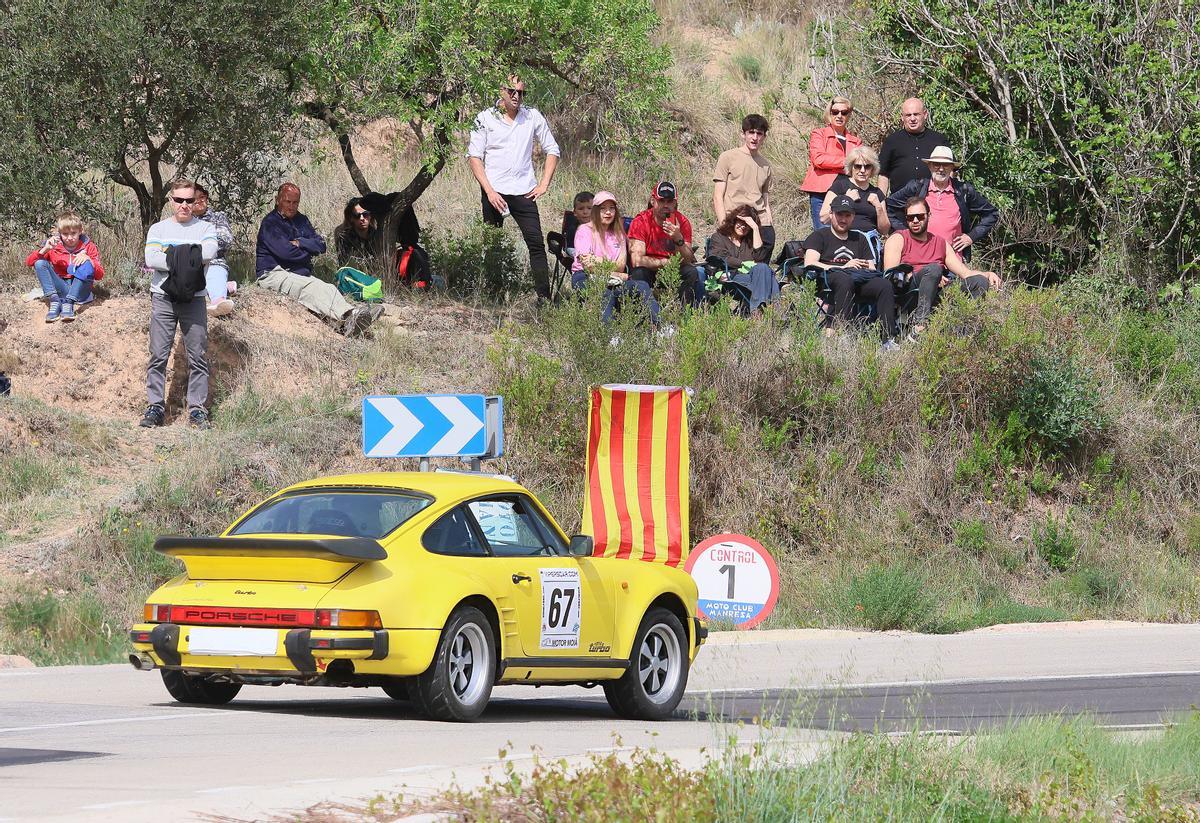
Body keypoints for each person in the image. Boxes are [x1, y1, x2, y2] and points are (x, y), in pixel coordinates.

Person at [467, 75, 561, 301]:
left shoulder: (532, 116)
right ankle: (494, 295)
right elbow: (474, 157)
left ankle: (543, 298)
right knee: (493, 243)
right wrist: (489, 191)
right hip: (494, 190)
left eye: (521, 92)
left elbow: (552, 149)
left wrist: (544, 183)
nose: (516, 96)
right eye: (511, 91)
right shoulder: (485, 118)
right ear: (501, 90)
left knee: (535, 243)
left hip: (524, 190)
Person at [140, 179, 217, 429]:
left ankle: (197, 410)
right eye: (179, 200)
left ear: (196, 202)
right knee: (158, 354)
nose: (184, 205)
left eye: (189, 200)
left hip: (194, 298)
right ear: (171, 201)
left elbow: (210, 253)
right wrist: (189, 256)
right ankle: (154, 407)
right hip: (163, 297)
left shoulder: (206, 228)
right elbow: (151, 258)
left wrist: (171, 254)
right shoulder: (158, 229)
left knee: (198, 355)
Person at [255, 183, 378, 336]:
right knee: (311, 287)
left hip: (298, 274)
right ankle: (349, 315)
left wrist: (300, 243)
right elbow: (286, 253)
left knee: (328, 288)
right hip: (273, 274)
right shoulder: (270, 224)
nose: (292, 206)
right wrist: (308, 251)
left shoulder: (302, 220)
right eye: (288, 202)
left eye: (295, 202)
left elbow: (321, 245)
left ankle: (346, 323)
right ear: (277, 200)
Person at [883, 196, 1000, 338]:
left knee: (979, 281)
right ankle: (919, 327)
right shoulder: (898, 238)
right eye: (910, 217)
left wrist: (986, 274)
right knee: (934, 270)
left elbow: (965, 272)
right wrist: (928, 276)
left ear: (929, 216)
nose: (915, 221)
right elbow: (890, 278)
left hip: (939, 294)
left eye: (920, 216)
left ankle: (963, 332)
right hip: (911, 294)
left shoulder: (940, 243)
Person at [804, 195, 897, 347]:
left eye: (847, 215)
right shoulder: (819, 236)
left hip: (858, 281)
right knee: (843, 279)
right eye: (840, 214)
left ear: (853, 217)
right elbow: (810, 263)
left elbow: (871, 267)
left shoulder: (859, 238)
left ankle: (888, 339)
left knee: (883, 285)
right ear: (831, 214)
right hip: (828, 282)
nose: (843, 219)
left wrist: (863, 267)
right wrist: (843, 267)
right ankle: (842, 333)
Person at [886, 146, 999, 261]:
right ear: (929, 166)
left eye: (945, 165)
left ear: (951, 168)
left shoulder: (963, 191)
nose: (941, 169)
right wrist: (905, 232)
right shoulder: (917, 188)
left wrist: (971, 237)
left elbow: (991, 214)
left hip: (953, 262)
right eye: (936, 164)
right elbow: (888, 205)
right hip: (920, 260)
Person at [573, 191, 658, 324]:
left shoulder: (619, 234)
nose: (608, 212)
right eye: (603, 209)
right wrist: (615, 272)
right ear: (595, 211)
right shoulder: (584, 230)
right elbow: (588, 264)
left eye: (611, 208)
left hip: (612, 278)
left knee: (641, 286)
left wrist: (599, 262)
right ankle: (611, 335)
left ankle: (659, 327)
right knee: (604, 292)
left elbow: (621, 265)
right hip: (584, 276)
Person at [627, 181, 704, 307]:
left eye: (670, 201)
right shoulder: (641, 221)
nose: (666, 205)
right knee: (638, 273)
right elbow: (637, 260)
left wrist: (678, 239)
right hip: (650, 270)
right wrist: (666, 263)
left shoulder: (682, 222)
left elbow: (688, 259)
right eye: (661, 201)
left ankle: (685, 316)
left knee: (691, 272)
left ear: (675, 203)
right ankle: (645, 316)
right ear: (653, 201)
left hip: (673, 269)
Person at [713, 114, 775, 262]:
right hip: (735, 221)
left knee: (761, 268)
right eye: (751, 132)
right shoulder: (727, 157)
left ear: (764, 137)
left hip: (760, 222)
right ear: (743, 134)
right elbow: (717, 196)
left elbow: (765, 200)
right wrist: (724, 224)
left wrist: (769, 225)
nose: (755, 137)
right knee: (737, 268)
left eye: (759, 133)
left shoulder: (765, 164)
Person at [25, 211, 104, 323]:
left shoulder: (89, 246)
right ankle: (54, 300)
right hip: (61, 289)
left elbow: (100, 275)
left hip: (81, 291)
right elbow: (29, 262)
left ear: (80, 231)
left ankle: (69, 303)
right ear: (60, 233)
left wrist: (89, 259)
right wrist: (45, 249)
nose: (69, 238)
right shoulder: (54, 245)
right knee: (39, 263)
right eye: (65, 234)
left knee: (87, 262)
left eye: (73, 233)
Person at [819, 146, 889, 264]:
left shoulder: (877, 193)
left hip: (867, 244)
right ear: (851, 167)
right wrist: (846, 200)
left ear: (872, 169)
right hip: (843, 240)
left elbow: (884, 229)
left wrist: (878, 208)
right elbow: (823, 218)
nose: (862, 170)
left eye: (867, 166)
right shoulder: (840, 186)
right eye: (858, 166)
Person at [801, 97, 862, 230]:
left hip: (846, 191)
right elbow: (818, 159)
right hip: (821, 192)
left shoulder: (855, 141)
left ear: (849, 115)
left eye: (844, 112)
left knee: (845, 232)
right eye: (835, 112)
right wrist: (847, 161)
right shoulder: (819, 134)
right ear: (830, 113)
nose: (839, 115)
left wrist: (834, 162)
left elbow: (859, 167)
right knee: (823, 234)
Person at [706, 205, 781, 312]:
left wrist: (755, 228)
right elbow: (721, 257)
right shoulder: (719, 237)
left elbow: (759, 259)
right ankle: (776, 310)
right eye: (740, 222)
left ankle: (757, 311)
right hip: (730, 278)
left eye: (747, 225)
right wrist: (744, 264)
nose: (743, 227)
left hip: (751, 278)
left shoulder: (750, 241)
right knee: (768, 275)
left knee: (763, 269)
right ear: (733, 220)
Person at [878, 98, 947, 195]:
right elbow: (883, 174)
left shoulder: (939, 139)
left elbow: (950, 170)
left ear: (925, 114)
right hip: (899, 203)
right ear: (902, 117)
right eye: (908, 115)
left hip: (932, 200)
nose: (912, 119)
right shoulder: (892, 140)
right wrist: (881, 202)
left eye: (916, 114)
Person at [192, 185, 235, 316]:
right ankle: (227, 287)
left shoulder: (218, 217)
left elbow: (225, 240)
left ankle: (218, 302)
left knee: (214, 273)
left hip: (213, 262)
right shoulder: (183, 220)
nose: (199, 201)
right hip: (190, 264)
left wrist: (195, 245)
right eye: (194, 199)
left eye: (202, 197)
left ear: (207, 198)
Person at [334, 197, 384, 272]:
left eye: (365, 214)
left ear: (370, 215)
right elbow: (345, 263)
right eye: (357, 215)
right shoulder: (344, 237)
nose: (362, 218)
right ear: (351, 218)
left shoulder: (377, 236)